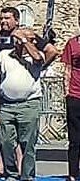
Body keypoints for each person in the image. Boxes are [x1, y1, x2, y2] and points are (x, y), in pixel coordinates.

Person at [0, 26, 47, 181]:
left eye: (31, 40)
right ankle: (11, 173)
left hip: (28, 104)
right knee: (6, 141)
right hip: (7, 105)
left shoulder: (36, 56)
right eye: (29, 39)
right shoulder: (5, 55)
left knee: (27, 143)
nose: (32, 42)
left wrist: (24, 40)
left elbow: (38, 59)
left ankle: (27, 176)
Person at [62, 9, 80, 181]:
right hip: (75, 95)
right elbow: (67, 69)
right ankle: (73, 174)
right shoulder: (72, 44)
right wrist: (66, 93)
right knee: (75, 139)